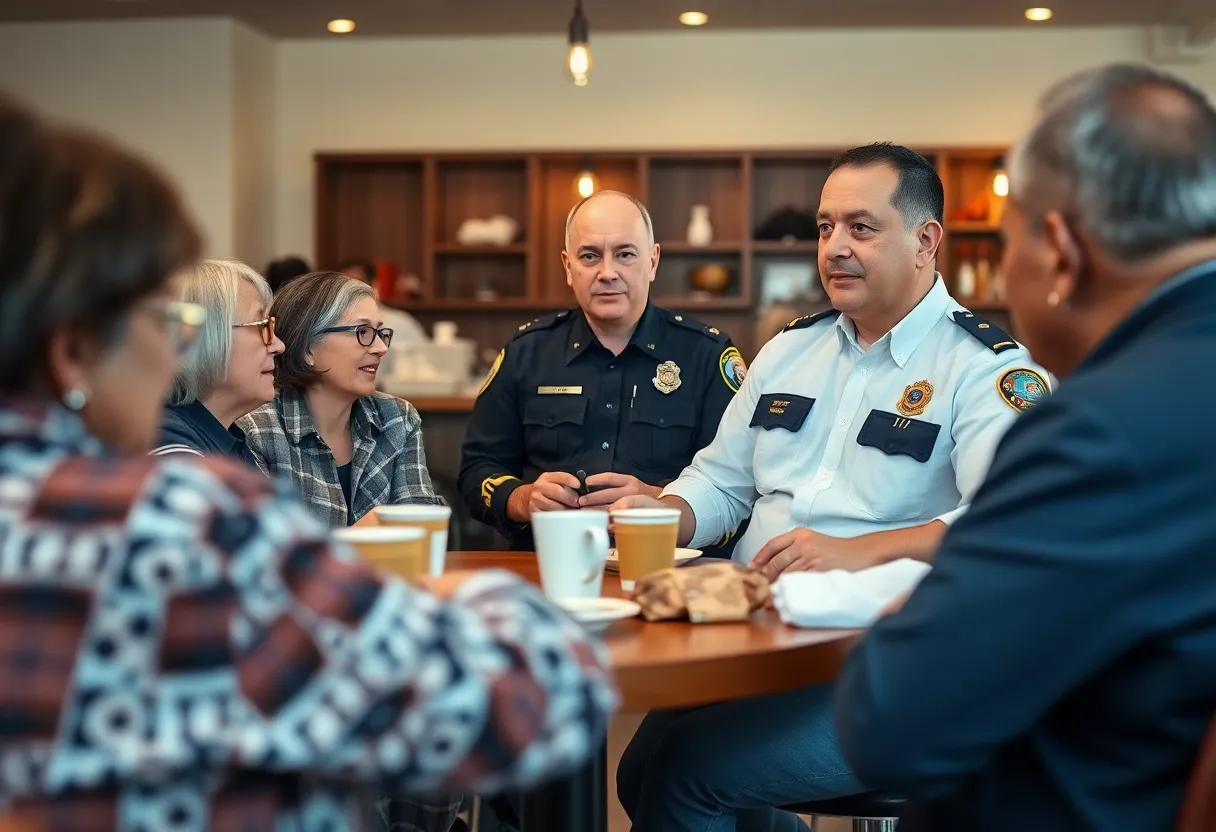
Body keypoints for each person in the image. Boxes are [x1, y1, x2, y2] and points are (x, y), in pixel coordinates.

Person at [0, 91, 616, 831]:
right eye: (167, 319)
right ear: (70, 347)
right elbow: (535, 705)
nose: (173, 352)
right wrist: (487, 595)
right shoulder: (181, 521)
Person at [610, 144, 1052, 831]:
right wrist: (662, 512)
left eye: (861, 228)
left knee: (685, 774)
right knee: (639, 772)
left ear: (925, 241)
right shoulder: (790, 350)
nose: (835, 247)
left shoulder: (984, 370)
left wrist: (862, 550)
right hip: (764, 640)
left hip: (900, 665)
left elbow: (1015, 524)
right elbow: (721, 480)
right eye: (825, 227)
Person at [834, 63, 1216, 831]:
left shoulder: (1097, 431)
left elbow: (890, 722)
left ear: (1061, 252)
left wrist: (924, 609)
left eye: (1005, 243)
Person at [457, 190, 746, 552]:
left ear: (652, 262)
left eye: (625, 254)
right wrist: (523, 499)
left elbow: (737, 487)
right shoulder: (526, 352)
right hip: (547, 565)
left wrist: (661, 501)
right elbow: (476, 471)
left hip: (663, 567)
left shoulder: (707, 355)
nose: (607, 273)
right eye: (590, 256)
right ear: (568, 267)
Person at [238, 270, 443, 527]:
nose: (381, 348)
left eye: (380, 332)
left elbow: (420, 522)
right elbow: (268, 544)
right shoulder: (258, 432)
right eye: (362, 332)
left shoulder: (397, 418)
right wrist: (375, 528)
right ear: (307, 348)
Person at [150, 258, 285, 462]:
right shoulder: (169, 445)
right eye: (262, 326)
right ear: (203, 337)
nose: (279, 345)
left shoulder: (227, 437)